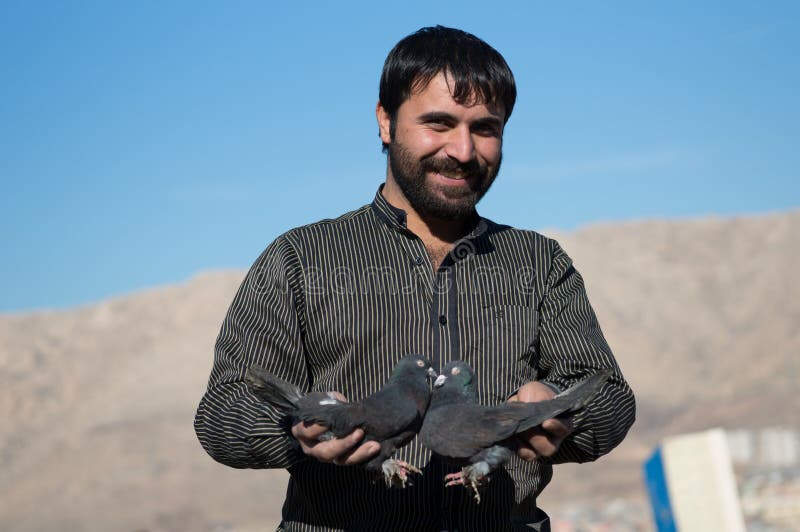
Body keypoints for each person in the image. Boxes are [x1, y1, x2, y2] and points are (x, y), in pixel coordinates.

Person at [195, 25, 635, 532]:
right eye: (439, 123)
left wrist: (562, 414)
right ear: (385, 122)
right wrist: (300, 430)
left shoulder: (537, 262)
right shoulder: (301, 259)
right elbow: (221, 414)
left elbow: (610, 398)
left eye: (485, 128)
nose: (464, 151)